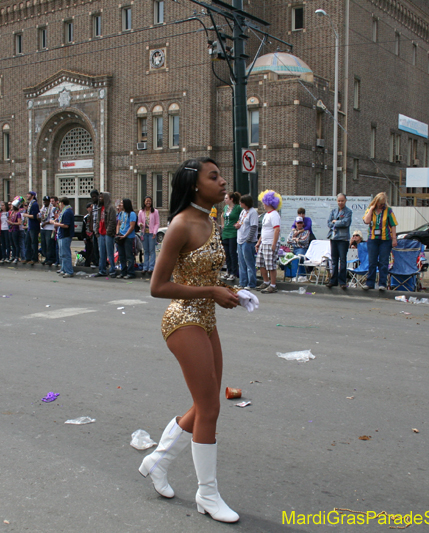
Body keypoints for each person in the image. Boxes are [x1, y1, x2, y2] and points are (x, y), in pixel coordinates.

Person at [143, 158, 241, 523]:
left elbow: (204, 275)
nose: (222, 181)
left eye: (221, 175)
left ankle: (158, 460)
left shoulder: (211, 220)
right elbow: (158, 287)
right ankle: (208, 494)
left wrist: (227, 291)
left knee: (207, 404)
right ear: (195, 185)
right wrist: (211, 291)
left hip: (206, 319)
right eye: (213, 177)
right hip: (183, 319)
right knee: (210, 409)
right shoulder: (181, 224)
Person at [362, 192, 397, 291]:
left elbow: (393, 225)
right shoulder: (370, 210)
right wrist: (372, 209)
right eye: (380, 203)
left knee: (383, 262)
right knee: (372, 262)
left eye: (383, 203)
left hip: (385, 240)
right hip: (372, 239)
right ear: (376, 202)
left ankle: (382, 283)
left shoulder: (388, 211)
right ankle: (370, 283)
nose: (382, 205)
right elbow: (366, 221)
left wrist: (394, 239)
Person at [256, 189, 282, 294]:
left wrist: (274, 244)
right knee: (261, 263)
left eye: (263, 202)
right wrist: (259, 242)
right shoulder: (266, 214)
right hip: (264, 242)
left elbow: (277, 229)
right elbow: (264, 230)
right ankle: (266, 282)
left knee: (270, 265)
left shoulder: (274, 214)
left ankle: (273, 285)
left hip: (270, 242)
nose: (262, 204)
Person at [326, 193, 352, 288]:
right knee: (334, 260)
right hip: (333, 238)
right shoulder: (333, 211)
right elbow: (329, 223)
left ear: (345, 201)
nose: (340, 202)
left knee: (343, 260)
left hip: (343, 239)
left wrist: (335, 222)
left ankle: (342, 282)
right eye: (339, 201)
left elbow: (346, 223)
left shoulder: (348, 212)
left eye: (342, 201)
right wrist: (335, 223)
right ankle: (333, 280)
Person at [234, 194, 258, 290]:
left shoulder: (253, 212)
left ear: (245, 203)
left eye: (241, 202)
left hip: (247, 241)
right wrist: (237, 225)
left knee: (249, 262)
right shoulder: (243, 211)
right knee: (241, 262)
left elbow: (253, 227)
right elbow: (240, 222)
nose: (240, 203)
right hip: (240, 239)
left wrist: (249, 239)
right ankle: (242, 282)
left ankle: (251, 283)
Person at [94, 192, 117, 277]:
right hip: (100, 233)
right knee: (102, 253)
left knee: (110, 253)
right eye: (99, 197)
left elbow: (112, 221)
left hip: (108, 234)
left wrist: (108, 231)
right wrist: (97, 231)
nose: (100, 198)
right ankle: (102, 270)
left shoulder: (111, 208)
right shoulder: (100, 208)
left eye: (101, 197)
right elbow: (98, 221)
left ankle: (112, 271)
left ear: (106, 198)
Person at [220, 192, 241, 282]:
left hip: (233, 232)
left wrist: (238, 223)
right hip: (226, 232)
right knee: (227, 253)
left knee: (232, 253)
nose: (225, 200)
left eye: (226, 198)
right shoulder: (225, 207)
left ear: (231, 199)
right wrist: (222, 224)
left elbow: (242, 216)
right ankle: (228, 271)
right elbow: (222, 215)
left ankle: (233, 273)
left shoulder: (237, 208)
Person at [116, 199, 137, 279]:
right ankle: (123, 272)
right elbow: (118, 224)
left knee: (129, 255)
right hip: (120, 236)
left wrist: (125, 235)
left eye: (122, 203)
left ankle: (131, 272)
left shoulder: (132, 214)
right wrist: (118, 233)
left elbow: (132, 226)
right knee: (121, 255)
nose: (120, 204)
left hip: (128, 237)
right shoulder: (121, 213)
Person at [54, 197, 75, 277]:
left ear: (62, 203)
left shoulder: (67, 212)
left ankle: (69, 271)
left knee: (66, 254)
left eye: (59, 202)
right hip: (61, 234)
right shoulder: (63, 212)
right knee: (61, 254)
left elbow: (66, 225)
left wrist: (57, 224)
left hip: (65, 235)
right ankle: (63, 268)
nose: (59, 204)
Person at [139, 195, 160, 276]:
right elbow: (139, 221)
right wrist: (140, 224)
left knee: (152, 250)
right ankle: (145, 267)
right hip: (144, 233)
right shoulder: (141, 212)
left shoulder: (155, 212)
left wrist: (155, 232)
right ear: (144, 202)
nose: (148, 202)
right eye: (147, 201)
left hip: (151, 233)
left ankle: (151, 268)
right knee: (146, 251)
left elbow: (157, 223)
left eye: (149, 201)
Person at [287, 217, 311, 282]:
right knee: (286, 257)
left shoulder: (306, 232)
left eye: (301, 223)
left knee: (299, 257)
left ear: (303, 224)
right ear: (296, 223)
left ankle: (302, 275)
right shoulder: (293, 232)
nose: (299, 224)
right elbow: (288, 240)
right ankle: (291, 275)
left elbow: (304, 240)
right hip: (293, 249)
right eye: (298, 223)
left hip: (302, 248)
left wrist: (295, 239)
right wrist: (296, 239)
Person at [22, 191, 40, 265]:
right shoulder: (30, 204)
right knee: (27, 242)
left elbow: (35, 216)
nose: (27, 195)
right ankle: (27, 257)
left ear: (32, 196)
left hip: (34, 226)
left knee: (34, 243)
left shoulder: (35, 204)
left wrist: (26, 215)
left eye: (28, 194)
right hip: (29, 226)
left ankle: (34, 258)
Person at [40, 196, 57, 266]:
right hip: (43, 228)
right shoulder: (43, 208)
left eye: (46, 201)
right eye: (44, 201)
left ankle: (51, 259)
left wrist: (46, 223)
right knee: (44, 245)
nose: (45, 202)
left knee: (49, 245)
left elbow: (53, 219)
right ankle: (46, 258)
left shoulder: (52, 208)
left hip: (49, 228)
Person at [89, 189, 100, 268]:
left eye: (95, 196)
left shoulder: (100, 205)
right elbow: (92, 218)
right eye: (92, 197)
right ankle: (96, 262)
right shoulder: (93, 206)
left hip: (100, 230)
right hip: (94, 230)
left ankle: (102, 263)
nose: (94, 198)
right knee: (95, 247)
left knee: (101, 248)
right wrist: (91, 228)